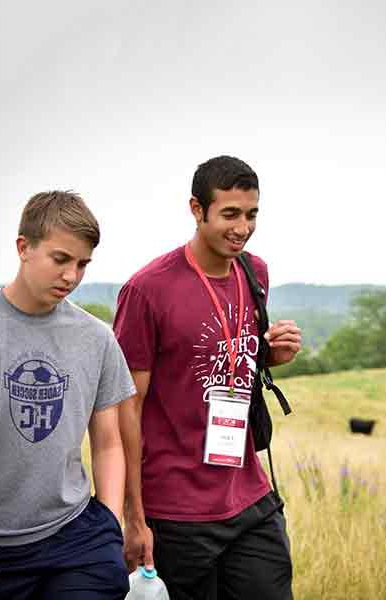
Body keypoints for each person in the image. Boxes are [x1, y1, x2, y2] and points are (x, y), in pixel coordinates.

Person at [114, 156, 302, 600]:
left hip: (249, 495)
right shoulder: (147, 290)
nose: (243, 227)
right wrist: (134, 518)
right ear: (197, 210)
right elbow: (127, 408)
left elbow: (231, 358)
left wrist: (270, 354)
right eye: (230, 214)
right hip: (176, 513)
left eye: (251, 214)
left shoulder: (254, 272)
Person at [0, 191, 136, 599]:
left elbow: (108, 441)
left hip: (75, 540)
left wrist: (110, 522)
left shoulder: (97, 338)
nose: (72, 276)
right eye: (61, 259)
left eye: (82, 264)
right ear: (24, 247)